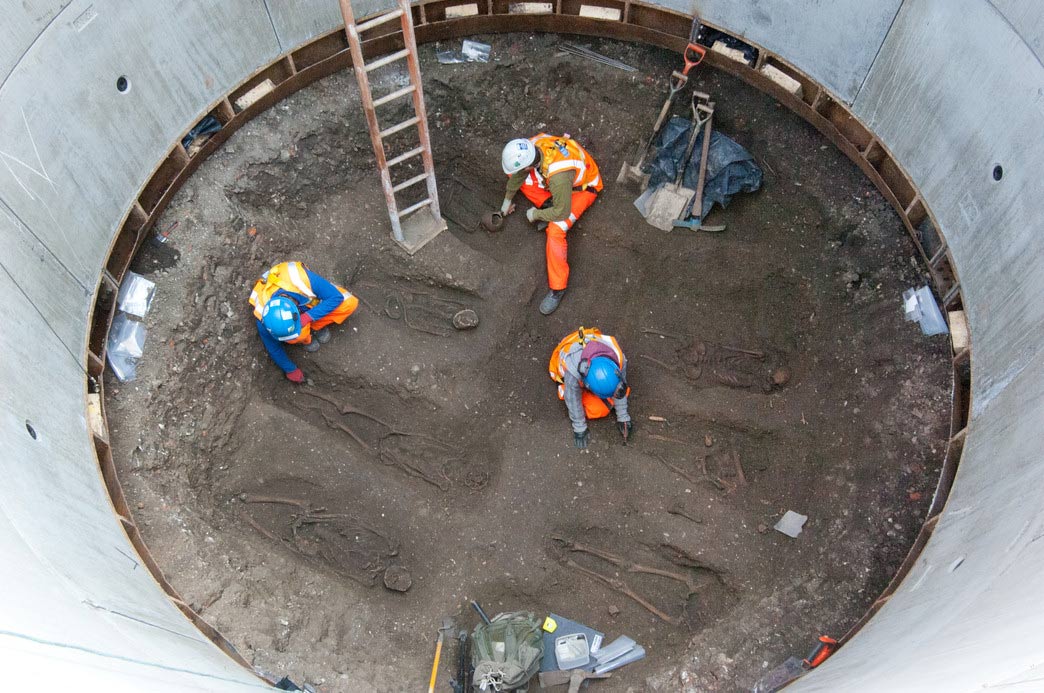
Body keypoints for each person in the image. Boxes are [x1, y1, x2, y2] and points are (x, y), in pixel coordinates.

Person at [499, 133, 603, 315]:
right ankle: (550, 207)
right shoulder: (533, 146)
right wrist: (505, 203)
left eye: (524, 168)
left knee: (556, 230)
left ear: (531, 164)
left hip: (584, 189)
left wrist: (536, 214)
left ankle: (558, 289)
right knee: (522, 179)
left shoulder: (558, 176)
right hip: (561, 181)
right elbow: (517, 175)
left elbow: (563, 211)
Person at [248, 261, 359, 383]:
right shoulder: (264, 318)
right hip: (298, 307)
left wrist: (307, 317)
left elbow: (336, 297)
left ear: (296, 309)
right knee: (294, 335)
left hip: (306, 300)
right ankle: (307, 338)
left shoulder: (301, 279)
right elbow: (273, 347)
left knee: (349, 303)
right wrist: (290, 369)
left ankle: (315, 327)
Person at [549, 327, 633, 449]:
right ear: (587, 385)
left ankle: (606, 396)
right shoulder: (573, 375)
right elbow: (572, 400)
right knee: (597, 409)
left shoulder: (619, 359)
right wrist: (579, 428)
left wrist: (623, 416)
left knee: (614, 397)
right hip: (566, 355)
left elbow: (620, 385)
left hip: (588, 343)